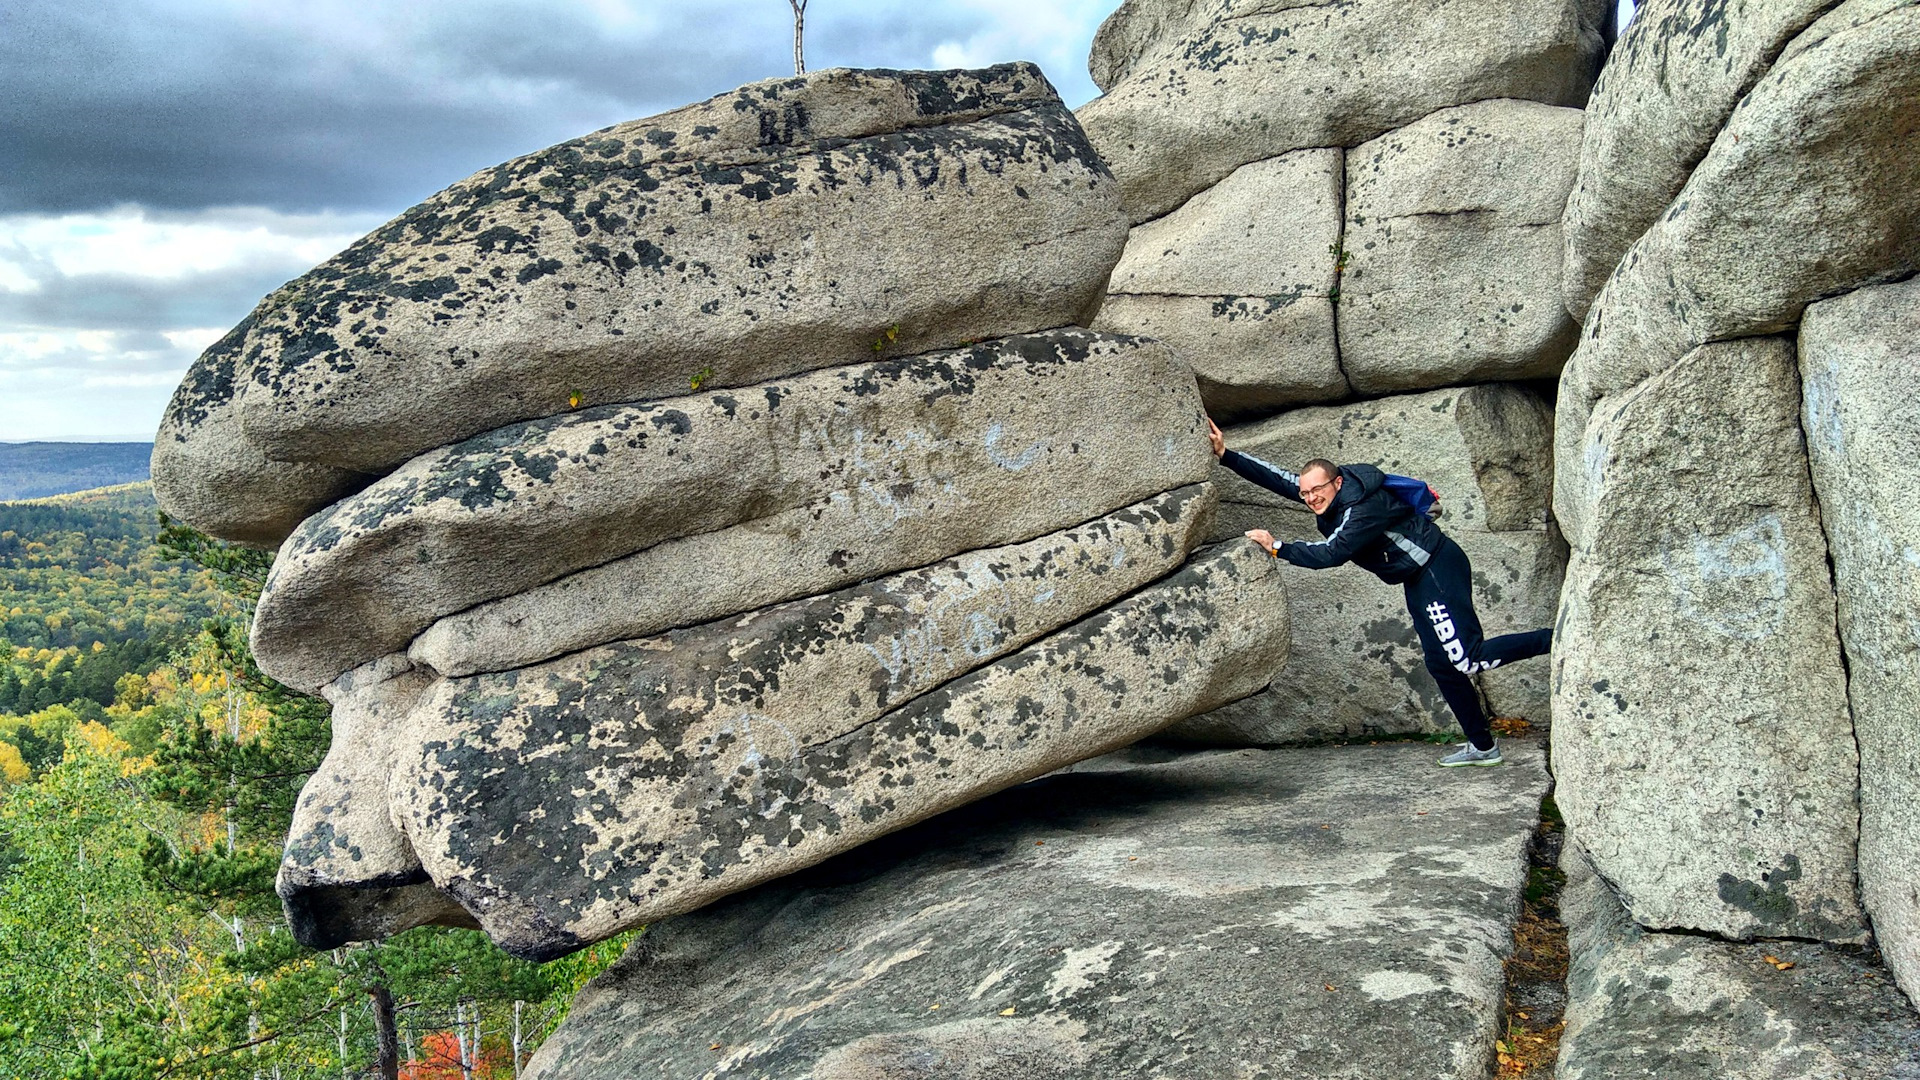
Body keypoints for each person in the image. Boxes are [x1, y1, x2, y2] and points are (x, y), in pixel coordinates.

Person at [1208, 418, 1551, 766]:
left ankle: (1557, 639)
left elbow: (1333, 553)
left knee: (1466, 658)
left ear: (1337, 482)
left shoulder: (1362, 509)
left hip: (1436, 567)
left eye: (1317, 491)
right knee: (1441, 664)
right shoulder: (1331, 494)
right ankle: (1483, 747)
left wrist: (1277, 546)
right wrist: (1227, 454)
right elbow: (1281, 479)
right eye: (1306, 493)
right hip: (1418, 577)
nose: (1311, 498)